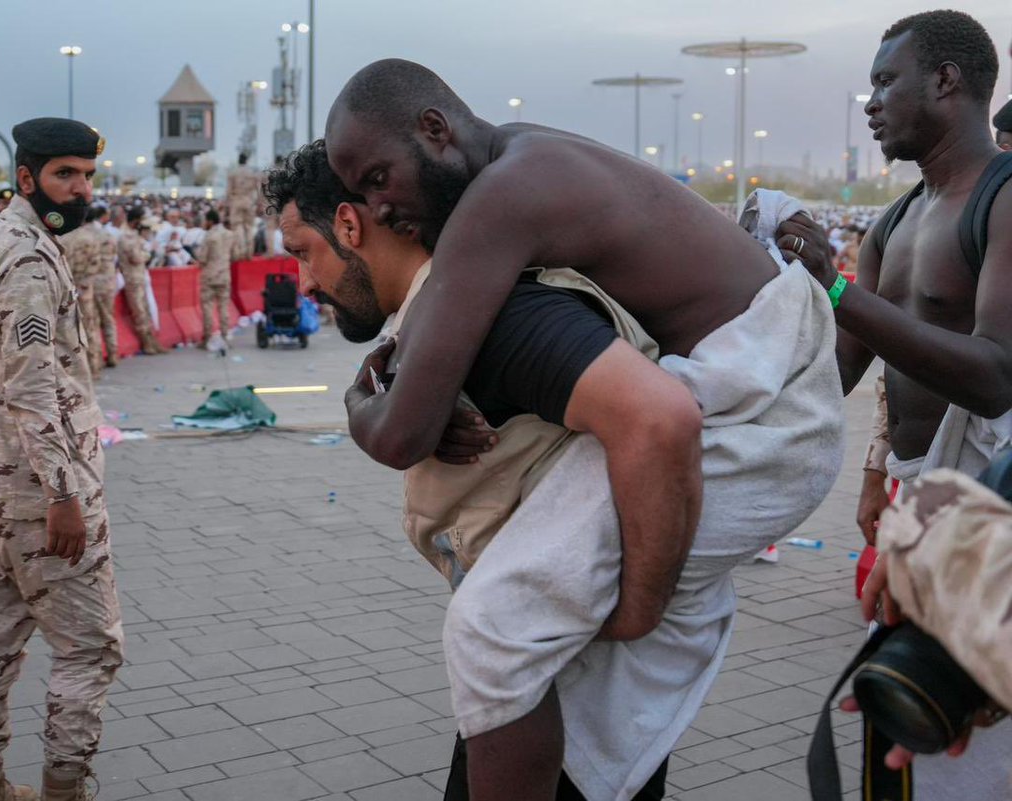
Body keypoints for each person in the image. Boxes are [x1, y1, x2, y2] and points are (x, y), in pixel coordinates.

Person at [301, 125, 843, 799]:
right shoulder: (477, 271)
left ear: (350, 225)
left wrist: (642, 604)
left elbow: (660, 419)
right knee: (502, 647)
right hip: (571, 665)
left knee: (489, 631)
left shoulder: (508, 294)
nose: (303, 280)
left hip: (746, 456)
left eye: (301, 251)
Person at [777, 11, 1012, 797]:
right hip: (923, 505)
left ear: (946, 81)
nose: (871, 103)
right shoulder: (896, 220)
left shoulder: (1004, 199)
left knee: (970, 747)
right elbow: (835, 374)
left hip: (992, 510)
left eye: (885, 82)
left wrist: (838, 289)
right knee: (909, 738)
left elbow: (996, 374)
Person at [0, 117, 123, 801]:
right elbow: (31, 389)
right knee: (89, 648)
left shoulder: (6, 238)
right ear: (26, 178)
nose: (81, 188)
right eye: (65, 174)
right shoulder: (26, 256)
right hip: (33, 493)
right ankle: (63, 791)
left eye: (87, 175)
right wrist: (63, 494)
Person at [58, 208, 104, 378]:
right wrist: (85, 282)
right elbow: (96, 264)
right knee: (90, 327)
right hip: (85, 289)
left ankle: (77, 368)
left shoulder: (62, 238)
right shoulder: (91, 238)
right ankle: (94, 366)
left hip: (67, 288)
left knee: (69, 330)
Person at [116, 207, 166, 354]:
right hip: (132, 279)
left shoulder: (134, 236)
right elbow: (136, 258)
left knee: (146, 310)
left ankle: (153, 342)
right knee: (140, 312)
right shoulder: (126, 237)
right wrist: (148, 253)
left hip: (139, 277)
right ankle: (147, 343)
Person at [194, 208, 235, 350]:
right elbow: (234, 255)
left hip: (210, 276)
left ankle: (207, 338)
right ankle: (225, 337)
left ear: (210, 221)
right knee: (224, 307)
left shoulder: (209, 236)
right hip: (225, 275)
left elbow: (202, 258)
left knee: (208, 308)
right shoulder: (229, 234)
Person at [92, 206, 119, 369]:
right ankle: (113, 353)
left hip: (91, 283)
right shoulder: (108, 235)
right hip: (108, 282)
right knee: (108, 319)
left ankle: (97, 359)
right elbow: (115, 257)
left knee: (93, 322)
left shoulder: (85, 235)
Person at [226, 152, 260, 259]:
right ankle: (249, 252)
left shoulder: (233, 172)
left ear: (238, 160)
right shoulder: (252, 173)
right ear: (246, 161)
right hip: (249, 201)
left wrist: (228, 203)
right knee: (249, 227)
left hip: (236, 200)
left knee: (237, 226)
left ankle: (240, 251)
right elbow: (258, 189)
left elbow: (228, 191)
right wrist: (258, 202)